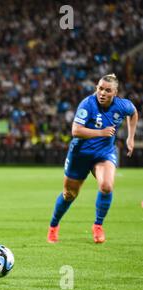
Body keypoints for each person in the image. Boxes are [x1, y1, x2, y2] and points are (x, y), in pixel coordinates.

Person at [47, 74, 138, 244]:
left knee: (106, 186)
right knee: (69, 194)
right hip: (80, 154)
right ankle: (53, 225)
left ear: (115, 92)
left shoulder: (122, 105)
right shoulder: (87, 104)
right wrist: (101, 132)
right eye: (100, 88)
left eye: (107, 90)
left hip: (103, 153)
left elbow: (133, 113)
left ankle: (98, 225)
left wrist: (130, 137)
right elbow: (76, 130)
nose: (102, 93)